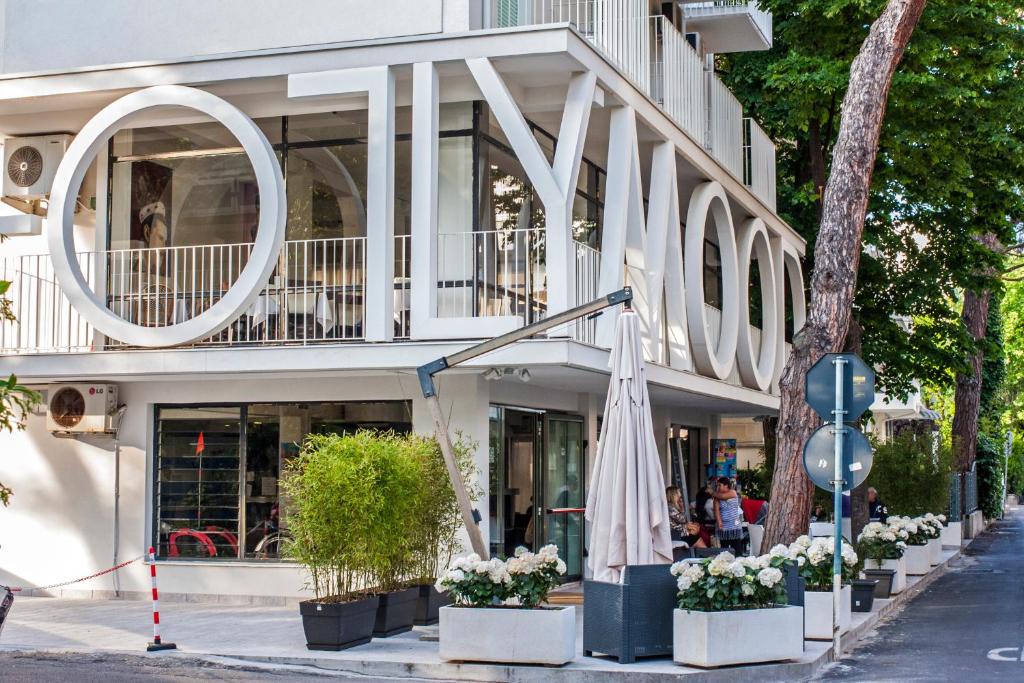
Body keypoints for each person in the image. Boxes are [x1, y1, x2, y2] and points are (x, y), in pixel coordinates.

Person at [712, 477, 746, 554]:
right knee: (724, 550)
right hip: (724, 527)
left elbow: (723, 497)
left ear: (726, 485)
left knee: (737, 549)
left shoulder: (733, 492)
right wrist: (719, 522)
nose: (718, 487)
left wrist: (712, 493)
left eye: (719, 485)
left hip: (734, 527)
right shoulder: (717, 496)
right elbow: (716, 510)